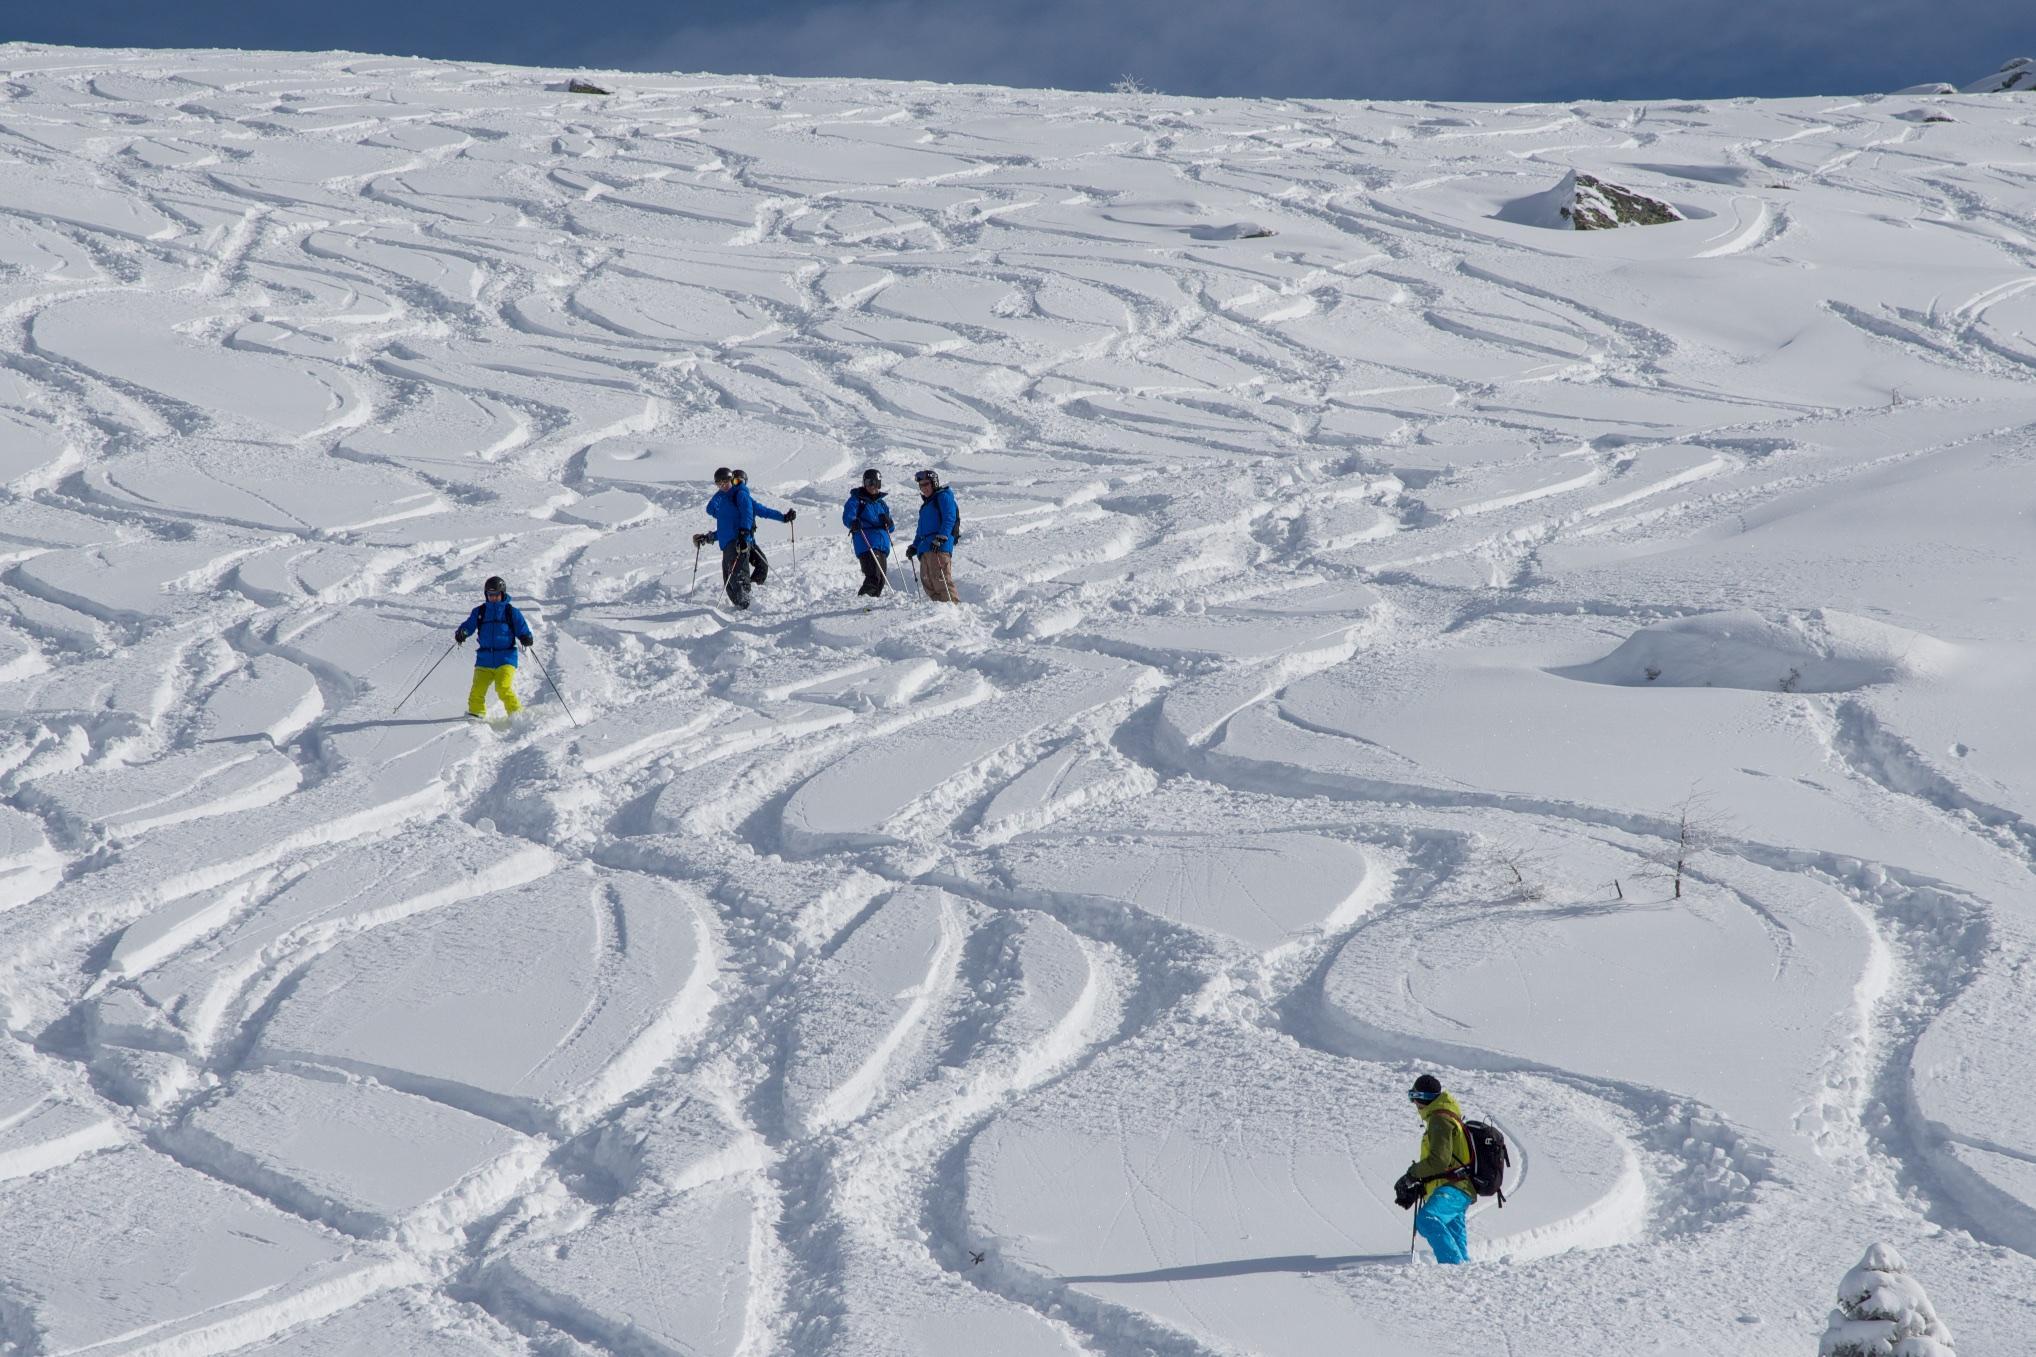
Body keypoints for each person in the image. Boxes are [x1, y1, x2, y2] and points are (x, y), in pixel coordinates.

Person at [1394, 1074, 1474, 1264]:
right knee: (1454, 1234)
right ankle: (1462, 1273)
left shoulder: (1440, 1120)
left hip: (1454, 1188)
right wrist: (1425, 1183)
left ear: (1422, 1098)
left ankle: (1453, 1267)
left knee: (1427, 1219)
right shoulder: (1446, 1116)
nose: (1413, 1103)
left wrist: (1411, 1175)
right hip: (1459, 1187)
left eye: (1413, 1097)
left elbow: (1439, 1161)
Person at [692, 466, 794, 609]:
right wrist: (708, 537)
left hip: (745, 541)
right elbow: (724, 525)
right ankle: (745, 603)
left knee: (759, 566)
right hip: (736, 542)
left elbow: (762, 511)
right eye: (719, 484)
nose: (723, 486)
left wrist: (783, 518)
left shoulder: (741, 495)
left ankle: (749, 598)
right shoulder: (726, 501)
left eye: (726, 482)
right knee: (733, 576)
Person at [454, 575, 534, 719]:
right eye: (490, 595)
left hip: (506, 658)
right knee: (477, 690)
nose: (493, 598)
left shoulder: (511, 612)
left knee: (503, 688)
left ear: (502, 594)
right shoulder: (480, 612)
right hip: (484, 659)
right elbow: (469, 625)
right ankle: (475, 714)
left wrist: (526, 637)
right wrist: (463, 632)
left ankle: (517, 715)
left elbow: (522, 629)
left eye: (496, 594)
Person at [905, 468, 960, 603]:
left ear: (934, 483)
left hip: (939, 546)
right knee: (927, 581)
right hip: (925, 547)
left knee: (940, 579)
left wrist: (941, 537)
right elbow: (921, 530)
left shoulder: (943, 496)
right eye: (921, 485)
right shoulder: (926, 505)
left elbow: (949, 517)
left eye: (926, 484)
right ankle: (938, 609)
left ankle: (953, 608)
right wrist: (915, 545)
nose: (924, 488)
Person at [842, 468, 894, 598]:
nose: (871, 486)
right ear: (864, 483)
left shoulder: (882, 504)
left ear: (879, 484)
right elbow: (848, 515)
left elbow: (891, 528)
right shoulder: (857, 499)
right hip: (866, 543)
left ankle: (870, 606)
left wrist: (889, 523)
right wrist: (853, 522)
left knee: (881, 579)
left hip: (882, 545)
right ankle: (863, 603)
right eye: (868, 482)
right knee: (873, 575)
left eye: (875, 482)